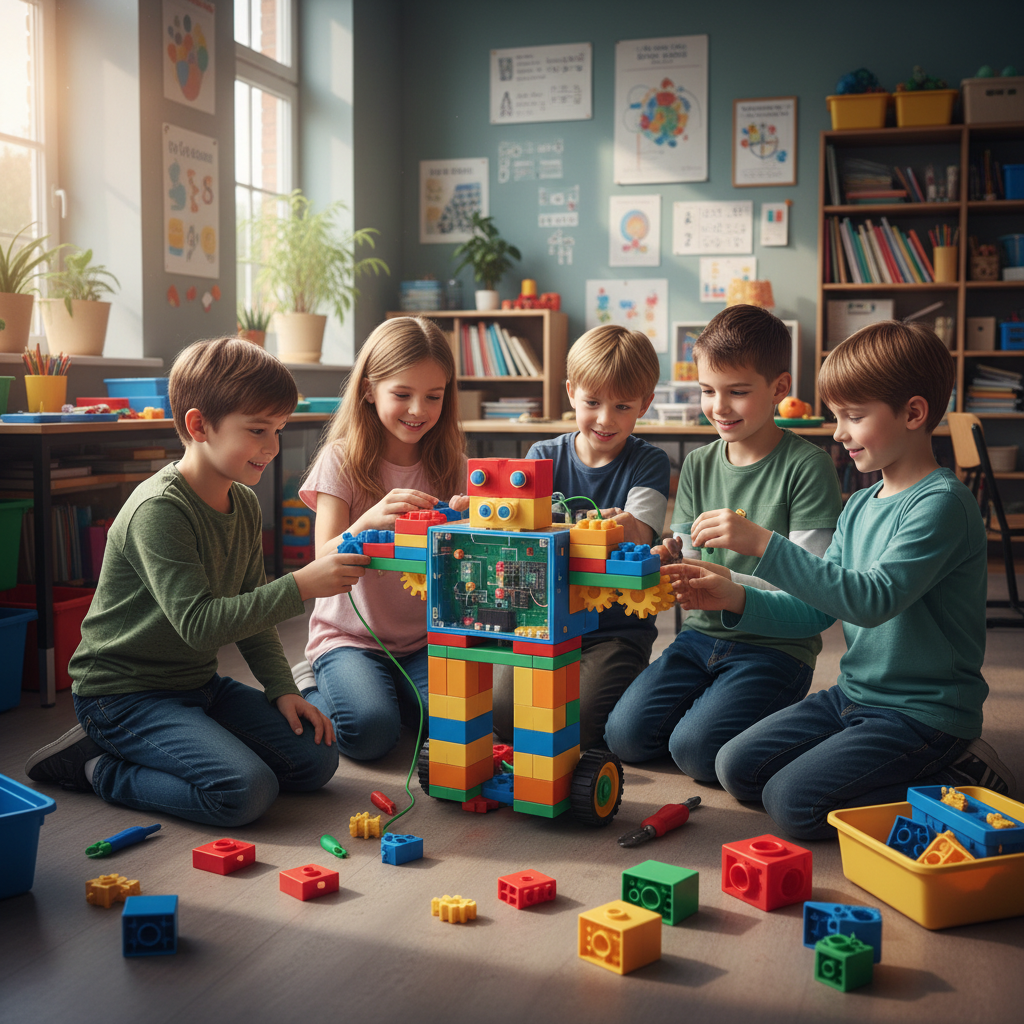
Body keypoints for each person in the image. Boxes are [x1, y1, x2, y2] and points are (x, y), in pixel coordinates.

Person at [674, 320, 1015, 840]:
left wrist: (765, 545)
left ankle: (958, 774)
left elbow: (872, 600)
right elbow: (816, 608)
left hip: (922, 714)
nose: (838, 433)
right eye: (837, 417)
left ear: (914, 413)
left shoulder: (941, 504)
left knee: (792, 803)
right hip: (852, 695)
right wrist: (736, 595)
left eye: (854, 417)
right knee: (735, 767)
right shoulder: (858, 503)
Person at [26, 337, 367, 826]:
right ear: (198, 425)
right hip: (122, 697)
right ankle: (97, 767)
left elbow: (251, 612)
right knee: (244, 792)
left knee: (316, 761)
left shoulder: (244, 503)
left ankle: (181, 740)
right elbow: (201, 626)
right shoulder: (159, 510)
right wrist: (301, 586)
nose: (272, 446)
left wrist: (280, 688)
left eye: (278, 429)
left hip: (196, 685)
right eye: (257, 430)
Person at [604, 304, 843, 781]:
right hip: (700, 638)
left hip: (777, 646)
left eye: (737, 392)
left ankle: (796, 722)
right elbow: (689, 554)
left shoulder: (808, 467)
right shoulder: (698, 464)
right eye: (708, 391)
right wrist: (666, 558)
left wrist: (731, 582)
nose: (718, 407)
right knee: (624, 737)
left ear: (779, 388)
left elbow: (816, 595)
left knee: (695, 752)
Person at [297, 316, 469, 761]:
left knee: (466, 724)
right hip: (350, 638)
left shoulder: (452, 463)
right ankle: (312, 687)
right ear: (369, 390)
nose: (418, 410)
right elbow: (322, 557)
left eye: (434, 396)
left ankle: (389, 693)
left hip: (424, 640)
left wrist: (473, 526)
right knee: (371, 734)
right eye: (402, 394)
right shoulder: (342, 460)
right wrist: (366, 520)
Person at [491, 324, 670, 751]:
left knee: (584, 724)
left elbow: (639, 531)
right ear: (571, 392)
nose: (605, 419)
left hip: (614, 628)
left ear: (644, 404)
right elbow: (521, 535)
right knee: (502, 717)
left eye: (622, 406)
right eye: (592, 402)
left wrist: (587, 524)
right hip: (543, 619)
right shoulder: (542, 456)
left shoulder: (649, 462)